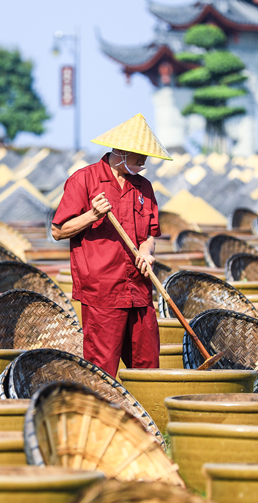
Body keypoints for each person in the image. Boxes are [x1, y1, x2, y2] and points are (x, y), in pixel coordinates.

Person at [51, 114, 172, 377]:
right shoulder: (84, 180)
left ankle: (144, 416)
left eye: (146, 156)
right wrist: (92, 215)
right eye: (138, 154)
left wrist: (146, 252)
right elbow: (58, 231)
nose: (144, 161)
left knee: (148, 366)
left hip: (139, 290)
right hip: (102, 292)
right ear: (119, 151)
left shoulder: (144, 187)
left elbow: (150, 235)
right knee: (102, 370)